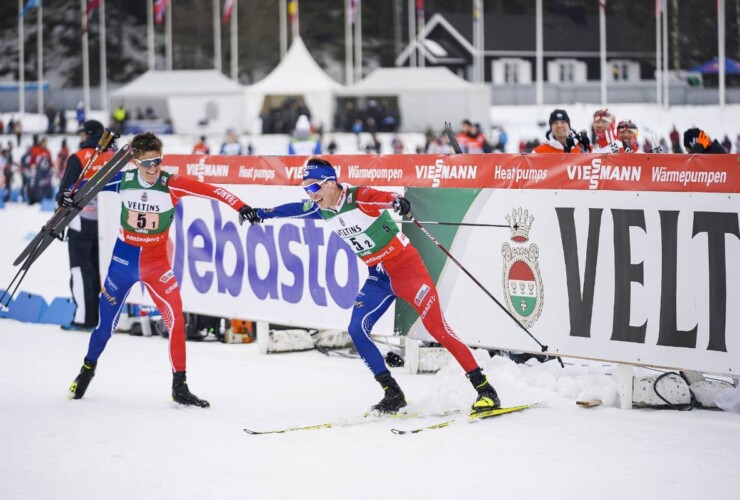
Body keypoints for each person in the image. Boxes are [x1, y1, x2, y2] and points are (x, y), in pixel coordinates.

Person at [250, 158, 501, 415]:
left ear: (330, 182)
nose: (310, 195)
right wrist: (259, 213)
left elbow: (378, 197)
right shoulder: (321, 208)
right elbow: (292, 209)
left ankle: (485, 389)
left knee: (438, 329)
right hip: (378, 277)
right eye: (306, 189)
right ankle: (392, 393)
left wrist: (395, 201)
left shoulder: (357, 197)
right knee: (356, 329)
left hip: (407, 271)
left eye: (314, 188)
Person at [64, 131, 258, 407]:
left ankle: (180, 386)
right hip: (123, 263)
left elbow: (212, 190)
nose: (154, 168)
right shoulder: (123, 179)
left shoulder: (171, 184)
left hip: (156, 264)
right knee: (105, 326)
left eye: (158, 161)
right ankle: (87, 370)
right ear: (134, 161)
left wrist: (241, 206)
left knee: (176, 320)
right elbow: (85, 186)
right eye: (148, 163)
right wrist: (67, 193)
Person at [56, 120, 110, 329]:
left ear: (88, 135)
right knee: (98, 271)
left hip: (80, 222)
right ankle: (99, 317)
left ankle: (83, 318)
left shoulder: (79, 157)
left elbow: (63, 194)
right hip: (105, 224)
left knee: (80, 270)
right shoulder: (112, 158)